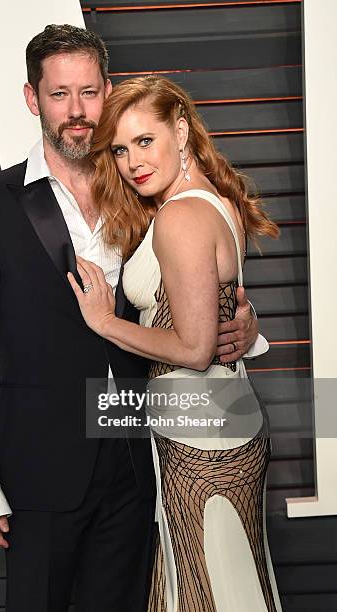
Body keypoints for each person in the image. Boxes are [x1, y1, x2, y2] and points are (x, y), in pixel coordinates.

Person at [0, 25, 265, 612]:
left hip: (145, 457)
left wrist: (245, 329)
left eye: (89, 93)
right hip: (40, 470)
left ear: (108, 90)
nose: (77, 111)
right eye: (60, 94)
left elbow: (196, 286)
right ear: (31, 98)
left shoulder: (146, 192)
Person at [67, 75, 283, 611]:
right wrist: (246, 321)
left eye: (146, 141)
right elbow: (220, 311)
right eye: (119, 149)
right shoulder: (211, 200)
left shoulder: (181, 215)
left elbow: (193, 348)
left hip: (202, 437)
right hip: (218, 422)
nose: (132, 161)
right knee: (223, 583)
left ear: (181, 132)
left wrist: (103, 320)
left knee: (207, 591)